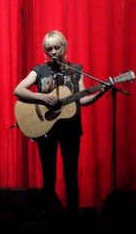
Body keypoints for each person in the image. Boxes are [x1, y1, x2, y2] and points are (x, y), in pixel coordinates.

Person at [13, 30, 110, 210]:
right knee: (48, 175)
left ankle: (72, 215)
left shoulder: (76, 71)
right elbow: (18, 90)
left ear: (64, 47)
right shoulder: (39, 71)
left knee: (71, 175)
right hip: (45, 129)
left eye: (56, 47)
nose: (53, 52)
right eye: (49, 49)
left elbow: (82, 100)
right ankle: (50, 214)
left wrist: (100, 93)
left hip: (71, 129)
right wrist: (42, 98)